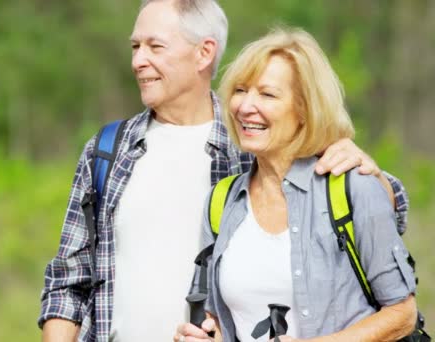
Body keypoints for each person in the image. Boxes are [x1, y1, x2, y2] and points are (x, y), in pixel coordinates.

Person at [39, 1, 410, 341]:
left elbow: (384, 210)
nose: (138, 60)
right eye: (135, 47)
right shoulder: (108, 151)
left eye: (155, 46)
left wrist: (366, 167)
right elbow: (69, 280)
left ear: (204, 52)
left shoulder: (254, 144)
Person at [174, 28, 417, 342]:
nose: (245, 106)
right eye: (240, 90)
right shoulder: (221, 201)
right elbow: (216, 321)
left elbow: (402, 314)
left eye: (267, 94)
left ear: (304, 109)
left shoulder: (354, 188)